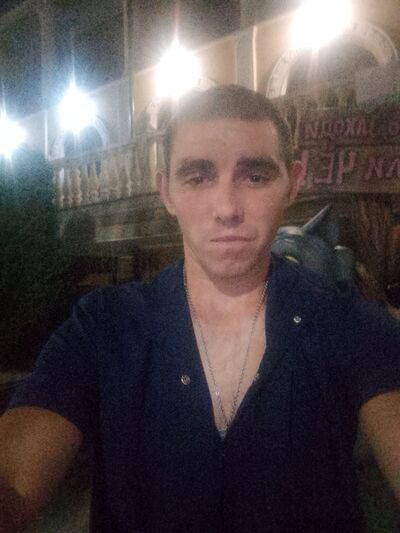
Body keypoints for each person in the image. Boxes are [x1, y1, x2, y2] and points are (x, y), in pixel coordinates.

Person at [0, 84, 400, 532]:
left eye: (255, 177)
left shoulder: (346, 321)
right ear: (166, 192)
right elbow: (14, 476)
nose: (227, 208)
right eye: (198, 177)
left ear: (293, 182)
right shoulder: (104, 327)